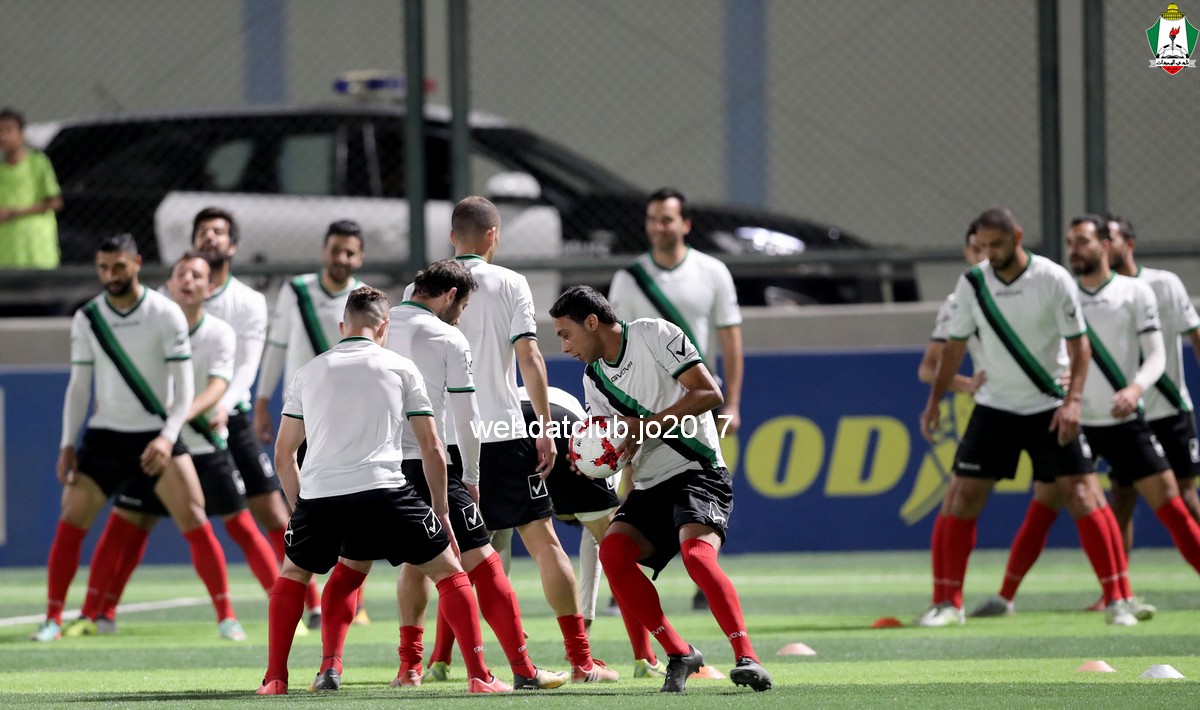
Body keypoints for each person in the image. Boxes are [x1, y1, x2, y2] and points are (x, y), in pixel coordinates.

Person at [256, 286, 511, 695]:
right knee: (449, 571)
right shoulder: (400, 368)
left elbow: (284, 455)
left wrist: (301, 508)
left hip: (321, 496)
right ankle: (480, 676)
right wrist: (442, 510)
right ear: (384, 327)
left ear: (343, 326)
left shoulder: (308, 372)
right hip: (385, 491)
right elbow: (432, 446)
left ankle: (275, 680)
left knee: (293, 575)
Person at [972, 216, 1200, 619]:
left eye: (1082, 241)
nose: (1074, 250)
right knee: (1045, 505)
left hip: (1124, 419)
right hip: (1076, 419)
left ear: (1105, 246)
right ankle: (1005, 597)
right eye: (1070, 242)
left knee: (1173, 502)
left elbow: (1158, 355)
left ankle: (1117, 596)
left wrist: (1135, 389)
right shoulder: (1062, 290)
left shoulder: (1137, 292)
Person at [917, 207, 1135, 627]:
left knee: (1083, 494)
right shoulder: (972, 283)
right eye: (982, 246)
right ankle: (948, 603)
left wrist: (1073, 401)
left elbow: (1080, 345)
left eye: (997, 244)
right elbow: (954, 348)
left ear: (1017, 237)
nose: (990, 253)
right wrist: (934, 402)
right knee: (962, 496)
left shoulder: (1052, 278)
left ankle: (1116, 600)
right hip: (995, 407)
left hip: (1048, 406)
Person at [549, 286, 772, 694]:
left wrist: (645, 426)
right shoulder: (593, 378)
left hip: (699, 471)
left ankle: (747, 657)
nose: (564, 347)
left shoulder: (654, 334)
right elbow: (617, 442)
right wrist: (593, 461)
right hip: (651, 483)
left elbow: (708, 393)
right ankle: (679, 653)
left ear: (592, 322)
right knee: (613, 554)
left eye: (566, 334)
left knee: (697, 557)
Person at [442, 196, 617, 684]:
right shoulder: (510, 282)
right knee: (542, 542)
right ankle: (580, 661)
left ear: (453, 237)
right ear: (494, 235)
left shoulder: (424, 286)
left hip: (443, 436)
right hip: (500, 430)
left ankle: (414, 665)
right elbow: (530, 357)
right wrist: (542, 425)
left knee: (435, 558)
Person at [31, 234, 239, 642]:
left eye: (119, 267)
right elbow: (79, 387)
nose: (111, 275)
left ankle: (226, 617)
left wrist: (167, 437)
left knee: (195, 519)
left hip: (155, 436)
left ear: (137, 263)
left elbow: (183, 389)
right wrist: (67, 444)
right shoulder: (88, 317)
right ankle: (52, 619)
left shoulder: (165, 313)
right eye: (103, 267)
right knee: (71, 519)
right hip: (105, 436)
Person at [64, 253, 279, 637]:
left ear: (209, 288)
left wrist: (178, 420)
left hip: (201, 445)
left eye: (197, 275)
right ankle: (95, 614)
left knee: (240, 525)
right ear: (169, 284)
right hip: (155, 445)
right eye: (181, 274)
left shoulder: (219, 332)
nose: (188, 281)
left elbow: (219, 384)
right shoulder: (152, 324)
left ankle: (279, 609)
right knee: (125, 526)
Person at [381, 260, 568, 690]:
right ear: (450, 296)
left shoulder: (383, 328)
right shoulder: (449, 336)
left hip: (383, 467)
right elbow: (467, 419)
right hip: (435, 459)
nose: (462, 316)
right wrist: (471, 477)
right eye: (463, 307)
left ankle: (403, 669)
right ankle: (514, 672)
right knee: (483, 563)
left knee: (402, 565)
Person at [608, 187, 744, 613]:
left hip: (698, 396)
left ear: (685, 224)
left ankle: (705, 573)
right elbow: (616, 342)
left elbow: (731, 339)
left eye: (666, 219)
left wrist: (733, 402)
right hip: (644, 399)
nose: (658, 227)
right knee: (634, 476)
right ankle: (624, 576)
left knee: (707, 476)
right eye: (652, 219)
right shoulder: (629, 277)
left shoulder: (712, 271)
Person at [191, 208, 312, 615]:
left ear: (233, 245)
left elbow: (247, 365)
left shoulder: (248, 301)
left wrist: (223, 406)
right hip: (178, 423)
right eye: (203, 231)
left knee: (270, 511)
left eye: (218, 231)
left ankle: (308, 602)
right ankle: (95, 611)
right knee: (133, 516)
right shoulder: (172, 297)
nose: (210, 237)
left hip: (229, 416)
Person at [254, 218, 366, 626]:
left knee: (353, 511)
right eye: (336, 249)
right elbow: (277, 345)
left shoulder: (364, 296)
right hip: (301, 417)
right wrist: (261, 401)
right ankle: (312, 599)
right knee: (304, 508)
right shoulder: (296, 290)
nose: (342, 258)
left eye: (350, 252)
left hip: (346, 421)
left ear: (360, 257)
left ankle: (353, 603)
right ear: (323, 251)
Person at [1107, 214, 1200, 542]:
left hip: (1170, 410)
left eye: (1109, 240)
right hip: (1129, 417)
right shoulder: (1096, 294)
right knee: (1121, 498)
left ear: (1129, 244)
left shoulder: (1164, 284)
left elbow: (1195, 334)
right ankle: (1117, 576)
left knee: (1186, 497)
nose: (1103, 247)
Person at [917, 221, 988, 390]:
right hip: (993, 400)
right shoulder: (955, 304)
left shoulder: (1034, 286)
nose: (983, 258)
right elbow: (927, 370)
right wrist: (968, 385)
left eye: (990, 248)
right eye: (976, 250)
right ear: (967, 253)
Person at [0, 107, 62, 269]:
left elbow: (55, 202)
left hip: (38, 249)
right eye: (0, 131)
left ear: (22, 134)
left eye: (9, 130)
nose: (3, 136)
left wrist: (14, 213)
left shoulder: (38, 162)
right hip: (7, 252)